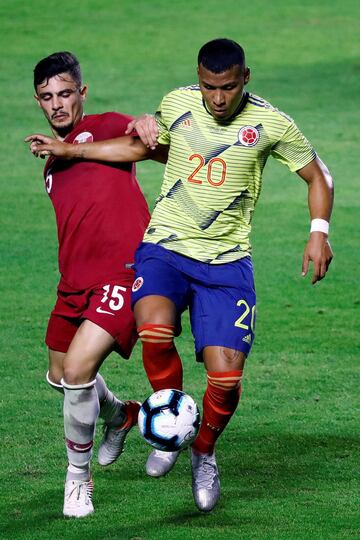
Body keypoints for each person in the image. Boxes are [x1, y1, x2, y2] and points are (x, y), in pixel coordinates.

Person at [27, 39, 334, 513]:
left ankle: (202, 450)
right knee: (142, 335)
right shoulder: (176, 103)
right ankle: (158, 424)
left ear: (245, 80)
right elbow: (149, 141)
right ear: (198, 78)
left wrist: (319, 232)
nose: (217, 98)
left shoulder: (271, 123)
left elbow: (319, 177)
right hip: (162, 250)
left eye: (228, 87)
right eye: (209, 86)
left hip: (224, 261)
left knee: (226, 378)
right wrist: (83, 145)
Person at [27, 51, 166, 518]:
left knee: (79, 370)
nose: (58, 104)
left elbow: (148, 138)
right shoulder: (49, 162)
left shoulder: (106, 125)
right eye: (47, 97)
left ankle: (77, 481)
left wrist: (147, 121)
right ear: (38, 102)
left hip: (124, 274)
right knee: (60, 375)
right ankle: (121, 415)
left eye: (65, 93)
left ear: (81, 93)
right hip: (73, 284)